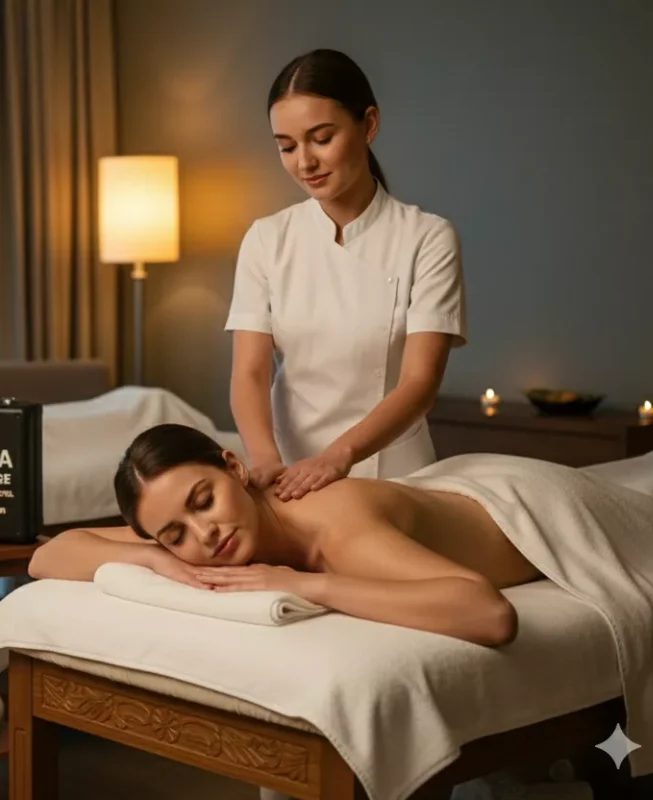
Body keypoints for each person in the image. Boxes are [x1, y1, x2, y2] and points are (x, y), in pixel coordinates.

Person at [30, 423, 542, 648]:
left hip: (527, 503)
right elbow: (49, 555)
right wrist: (157, 558)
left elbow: (489, 614)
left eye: (204, 500)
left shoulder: (336, 528)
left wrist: (303, 585)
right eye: (175, 534)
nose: (204, 534)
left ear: (235, 467)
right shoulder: (183, 537)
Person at [227, 49, 467, 503]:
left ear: (368, 125)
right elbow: (250, 372)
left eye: (321, 138)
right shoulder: (266, 239)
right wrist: (264, 462)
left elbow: (419, 383)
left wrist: (339, 457)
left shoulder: (427, 237)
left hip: (397, 478)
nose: (304, 162)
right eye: (287, 146)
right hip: (288, 479)